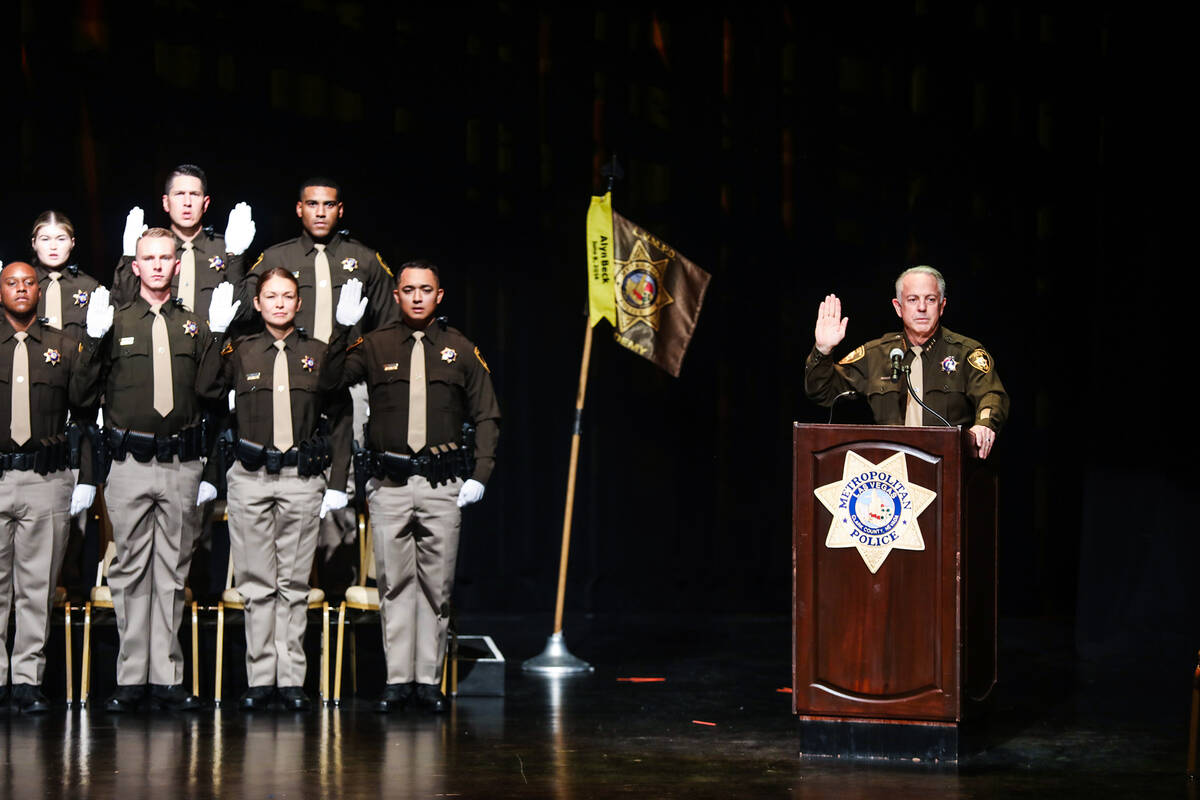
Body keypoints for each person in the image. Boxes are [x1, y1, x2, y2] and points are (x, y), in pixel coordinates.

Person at [324, 260, 499, 713]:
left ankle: (428, 681)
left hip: (443, 485)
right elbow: (329, 382)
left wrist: (480, 475)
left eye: (426, 289)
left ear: (439, 296)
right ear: (397, 295)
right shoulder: (375, 343)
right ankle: (399, 680)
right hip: (390, 483)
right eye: (408, 289)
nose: (417, 297)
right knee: (395, 587)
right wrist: (343, 330)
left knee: (436, 589)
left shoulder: (459, 349)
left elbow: (487, 415)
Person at [195, 272, 365, 711]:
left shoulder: (318, 352)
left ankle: (289, 679)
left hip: (301, 479)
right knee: (256, 584)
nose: (279, 303)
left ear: (299, 303)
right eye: (270, 296)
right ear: (257, 301)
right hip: (251, 478)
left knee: (291, 585)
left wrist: (336, 482)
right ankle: (259, 678)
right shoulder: (242, 349)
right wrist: (216, 334)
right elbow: (207, 389)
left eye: (288, 296)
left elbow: (339, 407)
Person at [77, 228, 211, 712]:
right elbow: (82, 394)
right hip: (128, 463)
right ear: (135, 267)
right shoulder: (114, 321)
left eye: (165, 258)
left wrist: (217, 338)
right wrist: (91, 342)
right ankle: (132, 678)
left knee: (173, 573)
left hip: (180, 463)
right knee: (130, 572)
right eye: (147, 258)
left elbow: (213, 397)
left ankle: (168, 677)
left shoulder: (197, 325)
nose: (156, 265)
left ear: (177, 265)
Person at [243, 177, 398, 584]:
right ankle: (290, 594)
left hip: (349, 387)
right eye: (312, 204)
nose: (320, 211)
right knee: (291, 481)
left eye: (329, 205)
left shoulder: (364, 260)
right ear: (299, 209)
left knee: (341, 489)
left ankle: (336, 597)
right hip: (290, 386)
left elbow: (389, 329)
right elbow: (244, 313)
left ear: (340, 210)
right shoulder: (277, 257)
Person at [0, 262, 96, 713]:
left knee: (37, 588)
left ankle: (26, 679)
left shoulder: (63, 343)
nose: (21, 289)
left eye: (28, 283)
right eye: (11, 282)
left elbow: (84, 409)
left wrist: (87, 475)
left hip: (45, 478)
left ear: (39, 290)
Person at [805, 265, 1008, 458]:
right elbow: (822, 393)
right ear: (898, 307)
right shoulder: (875, 354)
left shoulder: (966, 353)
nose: (921, 308)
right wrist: (822, 351)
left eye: (930, 299)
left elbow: (991, 395)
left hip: (948, 469)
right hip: (891, 476)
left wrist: (984, 424)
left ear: (942, 305)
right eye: (912, 300)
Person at [112, 164, 255, 320]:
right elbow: (121, 308)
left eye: (194, 194)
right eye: (179, 194)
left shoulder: (227, 249)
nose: (187, 202)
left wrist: (236, 256)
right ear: (166, 203)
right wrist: (129, 258)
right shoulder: (150, 250)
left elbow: (245, 314)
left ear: (205, 203)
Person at [29, 211, 101, 340]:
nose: (53, 246)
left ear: (72, 243)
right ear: (34, 243)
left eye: (61, 239)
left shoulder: (90, 287)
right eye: (45, 239)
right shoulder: (21, 287)